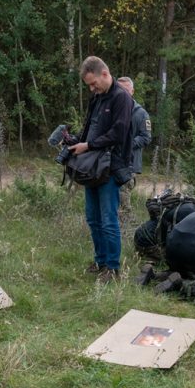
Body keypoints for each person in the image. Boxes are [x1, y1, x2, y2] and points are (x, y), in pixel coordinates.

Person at [69, 56, 134, 282]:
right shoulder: (96, 99)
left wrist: (88, 145)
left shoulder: (121, 98)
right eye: (88, 85)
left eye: (93, 83)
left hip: (110, 167)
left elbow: (119, 132)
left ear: (104, 74)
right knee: (93, 218)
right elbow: (89, 129)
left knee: (108, 219)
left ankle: (113, 268)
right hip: (92, 167)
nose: (91, 88)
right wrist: (74, 141)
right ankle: (100, 261)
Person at [116, 76, 152, 219]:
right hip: (109, 162)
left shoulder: (141, 114)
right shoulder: (112, 110)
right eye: (119, 90)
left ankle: (127, 232)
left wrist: (127, 144)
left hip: (128, 164)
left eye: (125, 90)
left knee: (124, 199)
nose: (122, 93)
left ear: (132, 91)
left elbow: (146, 137)